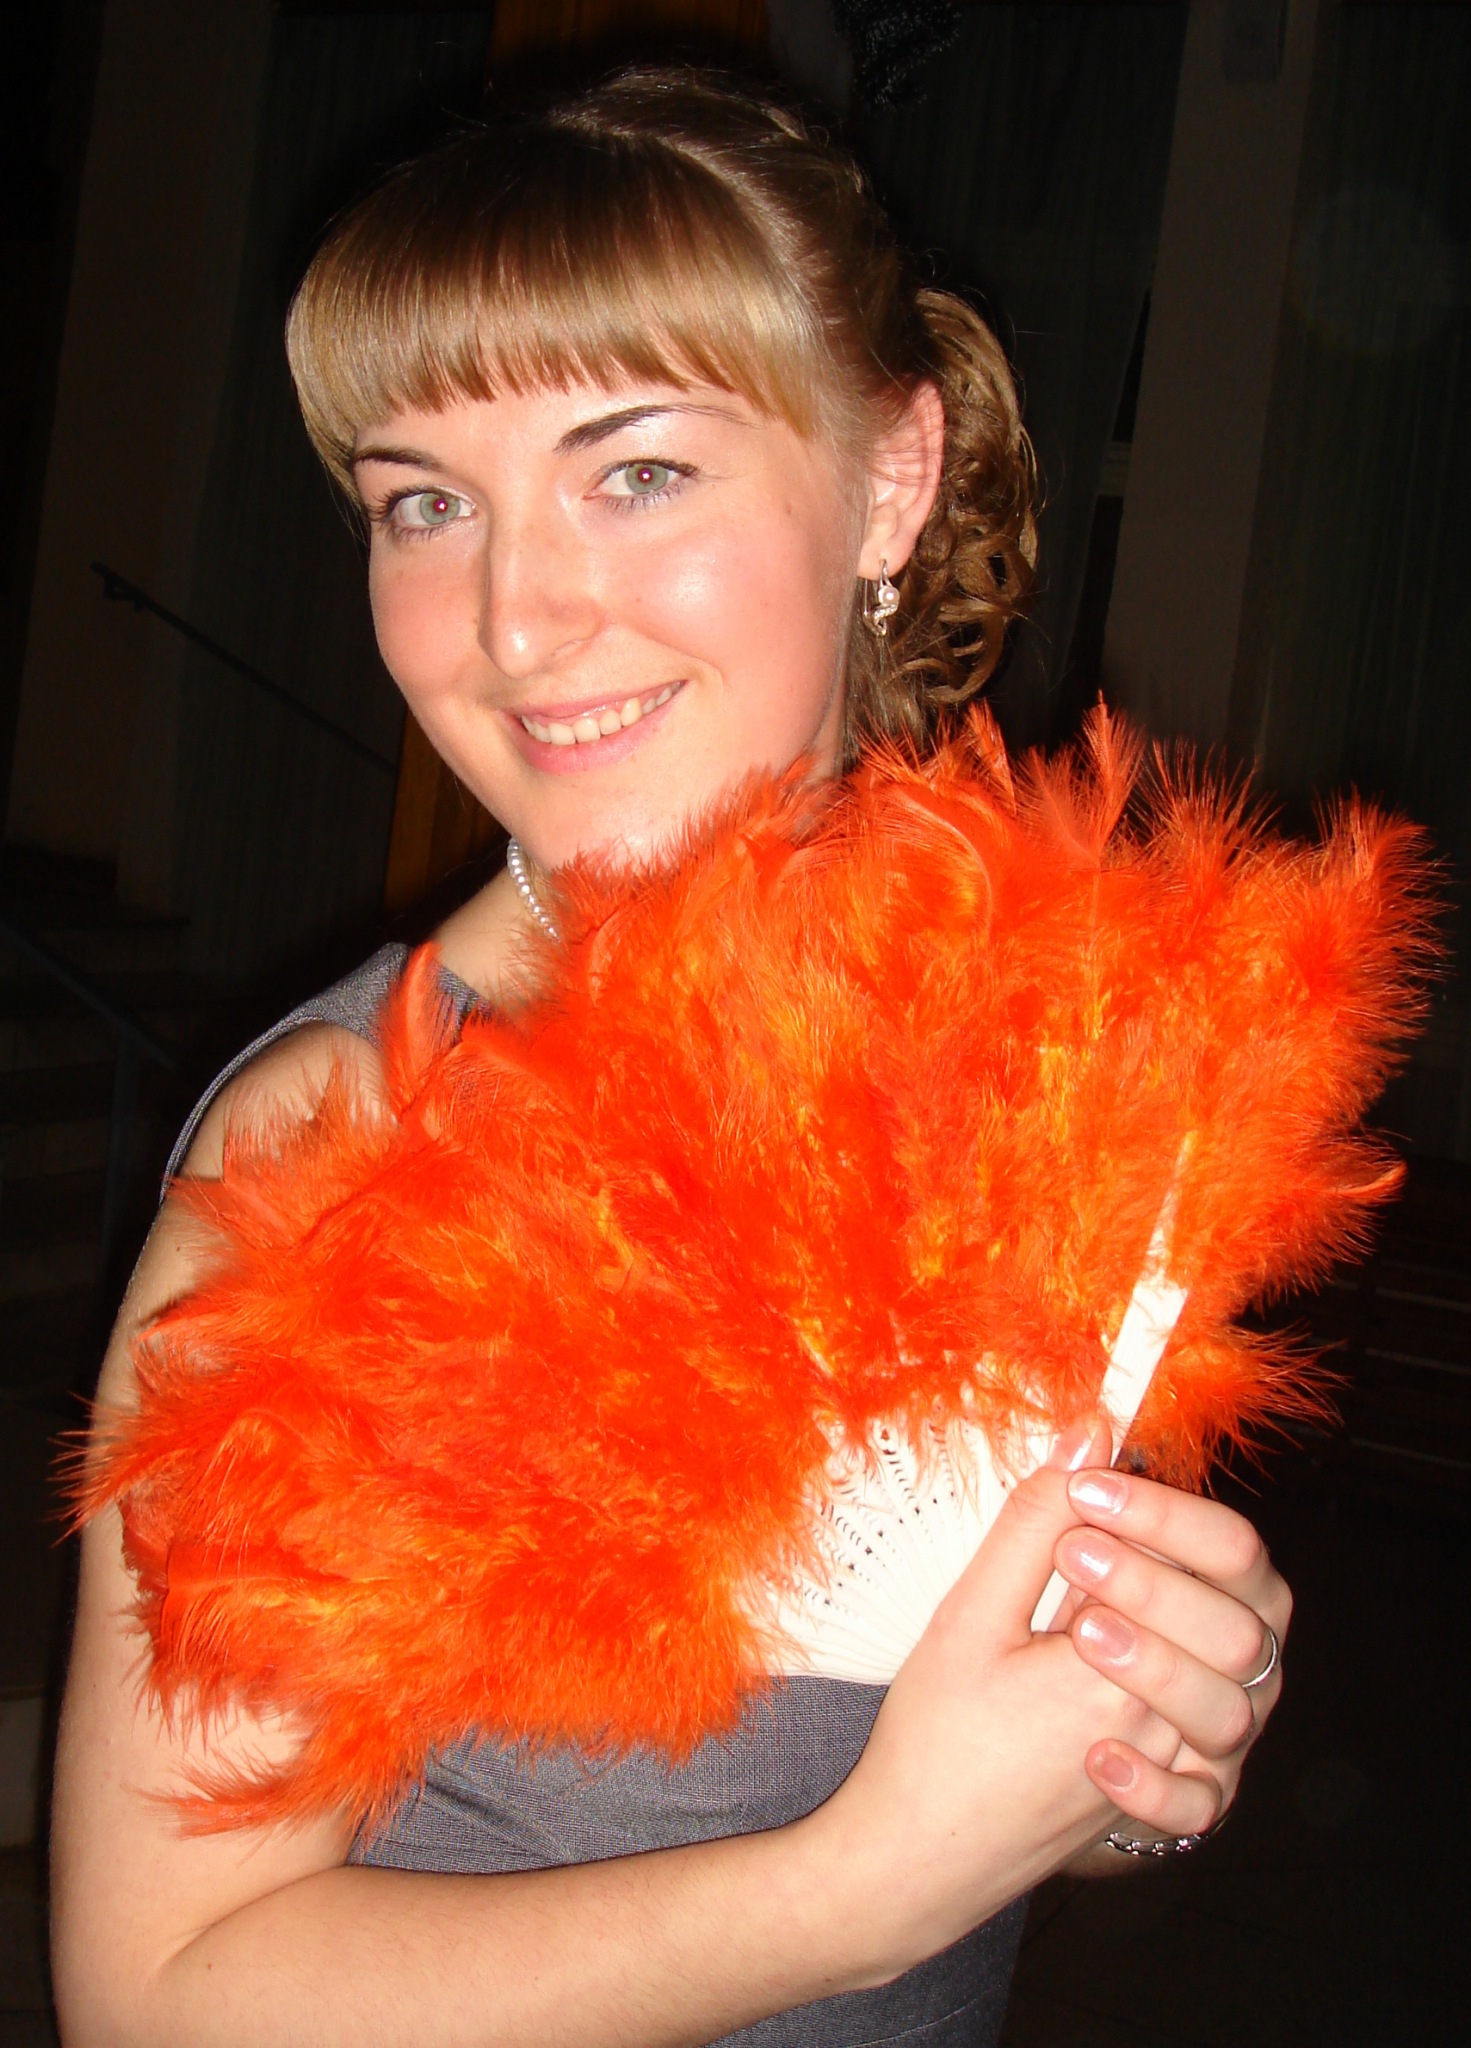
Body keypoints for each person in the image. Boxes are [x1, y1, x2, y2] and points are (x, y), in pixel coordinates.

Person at [51, 69, 1290, 2048]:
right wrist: (850, 1895)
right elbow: (167, 1995)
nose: (515, 618)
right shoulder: (348, 1148)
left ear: (889, 480)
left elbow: (988, 1765)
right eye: (423, 502)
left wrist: (1142, 1742)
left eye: (633, 473)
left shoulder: (1026, 1062)